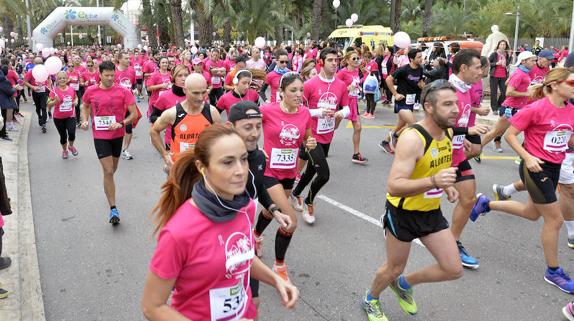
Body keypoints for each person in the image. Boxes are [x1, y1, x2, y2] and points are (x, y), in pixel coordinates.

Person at [141, 124, 298, 321]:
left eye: (243, 159)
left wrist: (276, 280)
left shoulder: (244, 206)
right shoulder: (178, 232)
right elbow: (152, 306)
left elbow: (243, 256)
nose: (240, 170)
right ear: (202, 167)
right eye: (227, 162)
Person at [362, 80, 463, 321]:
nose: (456, 109)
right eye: (448, 104)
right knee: (393, 267)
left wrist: (446, 186)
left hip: (430, 212)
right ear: (429, 107)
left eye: (456, 103)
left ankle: (404, 284)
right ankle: (371, 298)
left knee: (453, 269)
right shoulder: (412, 138)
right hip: (402, 213)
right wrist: (434, 182)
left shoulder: (447, 131)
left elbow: (435, 166)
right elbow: (394, 186)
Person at [470, 68, 574, 294]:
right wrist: (527, 157)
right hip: (534, 167)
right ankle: (553, 271)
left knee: (531, 213)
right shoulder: (536, 108)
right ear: (555, 84)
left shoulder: (571, 110)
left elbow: (568, 137)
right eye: (572, 82)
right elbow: (509, 135)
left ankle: (486, 204)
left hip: (554, 166)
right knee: (554, 220)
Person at [227, 101, 293, 315]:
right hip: (219, 243)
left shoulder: (257, 156)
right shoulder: (219, 161)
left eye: (258, 126)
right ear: (231, 128)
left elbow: (258, 187)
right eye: (248, 127)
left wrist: (275, 211)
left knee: (253, 302)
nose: (255, 133)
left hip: (243, 240)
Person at [253, 72, 316, 282]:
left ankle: (254, 236)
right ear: (281, 92)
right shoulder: (266, 110)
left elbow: (307, 137)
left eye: (301, 90)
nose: (299, 94)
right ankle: (279, 265)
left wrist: (310, 143)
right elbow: (246, 127)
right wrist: (256, 149)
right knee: (290, 221)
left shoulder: (305, 113)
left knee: (270, 211)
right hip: (269, 172)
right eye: (293, 90)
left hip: (289, 172)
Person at [291, 47, 349, 224]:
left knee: (310, 170)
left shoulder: (340, 85)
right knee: (324, 174)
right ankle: (309, 201)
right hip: (310, 136)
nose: (334, 63)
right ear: (321, 62)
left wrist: (341, 114)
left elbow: (347, 107)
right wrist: (319, 112)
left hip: (327, 135)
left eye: (336, 60)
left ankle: (294, 193)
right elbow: (299, 109)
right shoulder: (309, 85)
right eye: (330, 60)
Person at [80, 61, 138, 225]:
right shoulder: (91, 91)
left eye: (113, 75)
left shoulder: (123, 91)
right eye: (107, 75)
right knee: (108, 170)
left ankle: (109, 187)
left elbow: (133, 114)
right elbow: (84, 106)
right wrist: (84, 120)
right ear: (100, 74)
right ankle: (113, 208)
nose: (111, 78)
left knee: (113, 169)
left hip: (117, 134)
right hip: (100, 135)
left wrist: (121, 123)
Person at [447, 49, 489, 269]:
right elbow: (435, 121)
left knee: (469, 198)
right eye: (477, 68)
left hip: (457, 153)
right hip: (437, 155)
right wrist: (468, 128)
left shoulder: (465, 89)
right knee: (415, 199)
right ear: (463, 68)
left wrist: (461, 137)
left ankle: (452, 242)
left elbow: (457, 121)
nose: (480, 72)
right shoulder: (447, 90)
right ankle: (392, 216)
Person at [150, 73, 221, 172]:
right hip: (180, 168)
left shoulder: (212, 112)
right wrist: (165, 155)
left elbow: (220, 138)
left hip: (204, 169)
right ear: (185, 90)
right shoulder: (172, 113)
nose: (200, 98)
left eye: (203, 92)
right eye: (195, 93)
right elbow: (154, 131)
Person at [481, 51, 537, 152]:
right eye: (532, 60)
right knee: (495, 132)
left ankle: (526, 153)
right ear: (524, 61)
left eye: (535, 60)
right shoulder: (520, 74)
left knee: (524, 131)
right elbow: (509, 92)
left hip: (518, 108)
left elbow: (507, 82)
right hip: (510, 109)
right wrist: (527, 94)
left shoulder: (522, 72)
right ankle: (477, 148)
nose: (534, 62)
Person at [379, 49, 424, 154]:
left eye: (421, 56)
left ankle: (385, 142)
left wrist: (425, 90)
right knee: (414, 125)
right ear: (411, 59)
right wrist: (395, 94)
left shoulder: (420, 69)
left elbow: (420, 82)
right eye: (419, 57)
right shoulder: (403, 69)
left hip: (411, 101)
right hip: (402, 101)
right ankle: (396, 136)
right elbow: (388, 79)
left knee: (401, 125)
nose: (421, 59)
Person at [336, 50, 368, 164]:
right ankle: (323, 143)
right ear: (348, 60)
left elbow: (357, 83)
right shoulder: (342, 72)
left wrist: (364, 76)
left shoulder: (356, 70)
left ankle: (356, 154)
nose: (356, 60)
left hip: (353, 102)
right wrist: (347, 88)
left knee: (358, 127)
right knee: (333, 127)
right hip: (343, 102)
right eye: (354, 59)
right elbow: (335, 87)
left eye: (357, 58)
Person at [47, 71, 78, 159]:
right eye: (60, 78)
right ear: (57, 80)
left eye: (64, 78)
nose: (62, 80)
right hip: (58, 117)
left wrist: (76, 101)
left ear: (67, 79)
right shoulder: (54, 91)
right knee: (63, 136)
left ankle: (71, 146)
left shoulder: (71, 89)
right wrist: (55, 101)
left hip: (70, 116)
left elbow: (76, 97)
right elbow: (48, 104)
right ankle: (65, 151)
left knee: (72, 133)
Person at [115, 52, 138, 160]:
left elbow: (133, 85)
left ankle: (125, 149)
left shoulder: (132, 70)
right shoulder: (113, 71)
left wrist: (134, 90)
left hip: (128, 103)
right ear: (119, 60)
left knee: (128, 127)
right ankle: (114, 146)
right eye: (126, 58)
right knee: (116, 127)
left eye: (129, 58)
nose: (129, 60)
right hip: (116, 104)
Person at [24, 57, 50, 133]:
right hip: (35, 92)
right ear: (34, 64)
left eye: (41, 63)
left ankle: (44, 124)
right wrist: (33, 87)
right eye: (37, 63)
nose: (39, 65)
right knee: (38, 108)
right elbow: (25, 81)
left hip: (44, 92)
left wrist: (49, 85)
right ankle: (39, 116)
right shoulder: (31, 72)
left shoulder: (45, 71)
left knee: (43, 107)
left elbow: (49, 79)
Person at [488, 40, 511, 113]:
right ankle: (494, 109)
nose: (503, 46)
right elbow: (488, 63)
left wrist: (510, 57)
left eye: (504, 44)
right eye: (501, 44)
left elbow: (506, 64)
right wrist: (496, 63)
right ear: (498, 45)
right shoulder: (494, 54)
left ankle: (499, 105)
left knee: (504, 93)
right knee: (493, 93)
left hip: (503, 75)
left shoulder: (506, 54)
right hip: (494, 75)